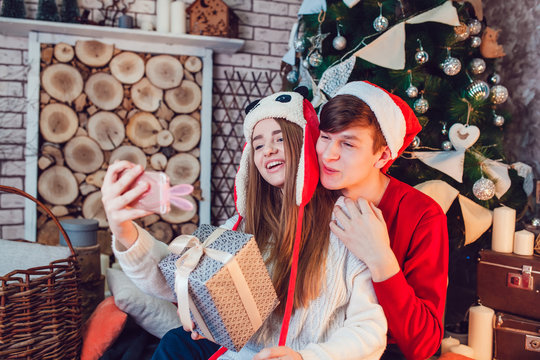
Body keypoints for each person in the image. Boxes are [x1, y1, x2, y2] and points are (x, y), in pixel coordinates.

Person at [101, 88, 387, 360]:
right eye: (258, 144)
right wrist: (124, 229)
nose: (268, 151)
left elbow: (369, 329)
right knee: (175, 342)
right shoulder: (244, 226)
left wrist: (305, 357)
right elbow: (177, 280)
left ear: (303, 141)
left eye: (279, 139)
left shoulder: (348, 224)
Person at [316, 81, 449, 360]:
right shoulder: (310, 195)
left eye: (348, 143)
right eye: (325, 137)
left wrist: (379, 258)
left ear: (383, 155)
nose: (328, 155)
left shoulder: (423, 216)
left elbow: (424, 345)